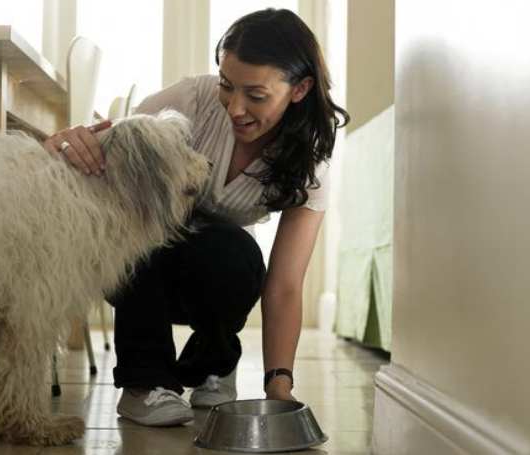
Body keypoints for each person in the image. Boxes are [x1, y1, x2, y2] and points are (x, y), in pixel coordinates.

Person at [43, 8, 349, 427]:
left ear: (299, 90)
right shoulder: (190, 101)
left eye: (256, 96)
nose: (236, 108)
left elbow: (285, 285)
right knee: (144, 234)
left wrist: (279, 385)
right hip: (142, 267)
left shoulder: (309, 163)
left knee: (239, 257)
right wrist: (67, 142)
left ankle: (213, 364)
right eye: (227, 86)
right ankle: (143, 383)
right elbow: (107, 144)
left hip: (211, 272)